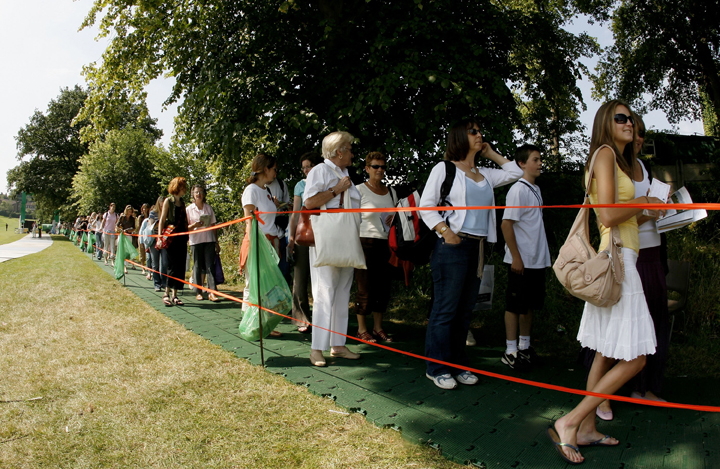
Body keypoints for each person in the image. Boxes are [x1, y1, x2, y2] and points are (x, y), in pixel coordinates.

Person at [549, 100, 666, 465]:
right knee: (637, 359)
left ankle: (584, 429)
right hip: (619, 264)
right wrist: (644, 200)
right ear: (605, 122)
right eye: (621, 118)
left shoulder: (617, 162)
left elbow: (624, 219)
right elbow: (608, 215)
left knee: (605, 350)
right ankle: (570, 421)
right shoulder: (603, 153)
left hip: (623, 256)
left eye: (631, 118)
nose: (629, 123)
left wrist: (655, 212)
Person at [419, 118, 522, 390]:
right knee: (446, 309)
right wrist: (445, 231)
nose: (479, 135)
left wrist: (490, 153)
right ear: (459, 137)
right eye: (473, 131)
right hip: (451, 246)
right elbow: (425, 205)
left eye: (480, 131)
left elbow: (515, 173)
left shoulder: (486, 173)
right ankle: (437, 367)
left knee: (465, 310)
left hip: (477, 247)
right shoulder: (444, 169)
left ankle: (457, 363)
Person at [304, 131, 362, 366]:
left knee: (342, 292)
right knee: (324, 292)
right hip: (327, 238)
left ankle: (337, 345)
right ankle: (316, 348)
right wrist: (336, 190)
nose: (352, 153)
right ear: (339, 152)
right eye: (349, 148)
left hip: (346, 238)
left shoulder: (345, 172)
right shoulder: (321, 170)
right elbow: (309, 202)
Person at [500, 144, 551, 371]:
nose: (540, 163)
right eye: (535, 160)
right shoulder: (518, 190)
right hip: (521, 260)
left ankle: (524, 347)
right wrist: (516, 258)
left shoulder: (536, 189)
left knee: (529, 305)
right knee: (514, 305)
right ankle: (510, 351)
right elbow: (506, 224)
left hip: (537, 259)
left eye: (540, 159)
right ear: (522, 164)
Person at [354, 151, 397, 343]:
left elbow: (396, 216)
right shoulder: (358, 190)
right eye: (375, 166)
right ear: (367, 169)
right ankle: (362, 329)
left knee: (383, 288)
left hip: (386, 243)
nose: (380, 170)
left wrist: (395, 217)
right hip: (364, 243)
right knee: (365, 287)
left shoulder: (392, 192)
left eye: (383, 167)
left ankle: (378, 327)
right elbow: (351, 219)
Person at [240, 153, 284, 337]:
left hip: (270, 242)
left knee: (266, 285)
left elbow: (269, 220)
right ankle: (250, 323)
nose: (276, 173)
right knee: (252, 284)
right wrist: (255, 246)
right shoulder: (251, 190)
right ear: (265, 169)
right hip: (258, 242)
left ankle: (264, 322)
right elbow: (249, 221)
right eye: (274, 169)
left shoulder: (266, 191)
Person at [288, 152, 322, 333]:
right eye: (303, 168)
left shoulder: (325, 183)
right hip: (304, 234)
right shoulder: (300, 186)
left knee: (322, 278)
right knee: (300, 278)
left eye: (308, 166)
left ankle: (322, 318)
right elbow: (295, 214)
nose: (306, 170)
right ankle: (302, 319)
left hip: (323, 235)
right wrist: (291, 238)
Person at [186, 185, 220, 302]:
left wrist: (216, 242)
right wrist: (195, 225)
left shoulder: (208, 208)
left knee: (210, 266)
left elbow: (213, 225)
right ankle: (199, 292)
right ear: (193, 194)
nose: (199, 194)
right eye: (196, 192)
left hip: (209, 240)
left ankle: (212, 292)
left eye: (201, 192)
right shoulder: (188, 209)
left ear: (204, 194)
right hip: (195, 241)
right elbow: (185, 228)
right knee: (197, 266)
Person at [159, 177, 190, 306]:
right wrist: (160, 237)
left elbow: (184, 221)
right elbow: (162, 219)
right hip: (171, 237)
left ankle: (175, 295)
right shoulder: (168, 201)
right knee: (171, 266)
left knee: (180, 266)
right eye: (183, 186)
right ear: (178, 187)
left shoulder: (182, 203)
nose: (185, 189)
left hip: (181, 238)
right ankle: (166, 293)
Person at [266, 162, 292, 284]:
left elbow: (289, 205)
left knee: (284, 267)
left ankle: (283, 294)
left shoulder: (281, 184)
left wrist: (282, 205)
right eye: (273, 170)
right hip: (266, 234)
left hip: (281, 231)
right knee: (268, 268)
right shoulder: (258, 187)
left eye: (276, 170)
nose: (275, 174)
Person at [147, 199, 167, 292]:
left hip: (165, 240)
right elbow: (150, 225)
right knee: (155, 263)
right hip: (154, 240)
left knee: (164, 263)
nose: (163, 205)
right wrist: (158, 224)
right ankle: (157, 284)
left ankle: (164, 283)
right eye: (161, 204)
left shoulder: (167, 213)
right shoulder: (153, 213)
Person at [117, 205, 136, 274]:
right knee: (121, 250)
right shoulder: (122, 217)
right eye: (128, 211)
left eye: (131, 211)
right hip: (122, 235)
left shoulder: (133, 219)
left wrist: (128, 230)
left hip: (128, 235)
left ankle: (125, 266)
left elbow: (134, 228)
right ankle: (120, 264)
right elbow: (117, 225)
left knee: (127, 251)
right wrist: (120, 230)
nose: (129, 213)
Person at [136, 203, 150, 277]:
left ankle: (148, 268)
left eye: (146, 208)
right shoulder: (140, 217)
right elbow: (139, 228)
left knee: (147, 251)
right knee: (142, 252)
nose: (144, 209)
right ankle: (143, 268)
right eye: (143, 208)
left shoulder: (150, 216)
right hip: (141, 235)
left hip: (148, 236)